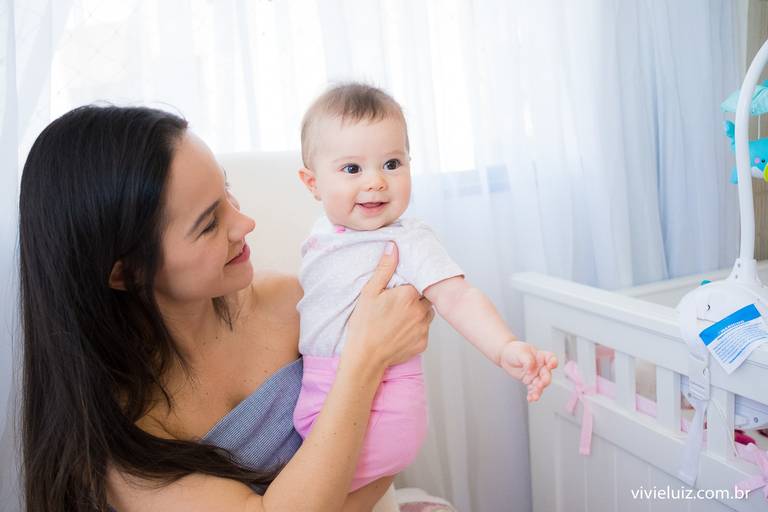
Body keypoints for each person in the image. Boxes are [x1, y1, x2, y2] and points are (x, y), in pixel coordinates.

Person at [19, 105, 434, 511]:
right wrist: (366, 358)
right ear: (126, 273)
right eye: (208, 224)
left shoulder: (288, 304)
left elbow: (388, 441)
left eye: (228, 193)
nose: (244, 223)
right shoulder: (119, 440)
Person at [294, 83, 558, 491]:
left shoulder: (408, 239)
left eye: (392, 163)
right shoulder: (324, 232)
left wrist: (503, 346)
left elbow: (457, 296)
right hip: (319, 392)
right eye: (352, 169)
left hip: (382, 407)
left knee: (314, 488)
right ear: (312, 183)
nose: (377, 181)